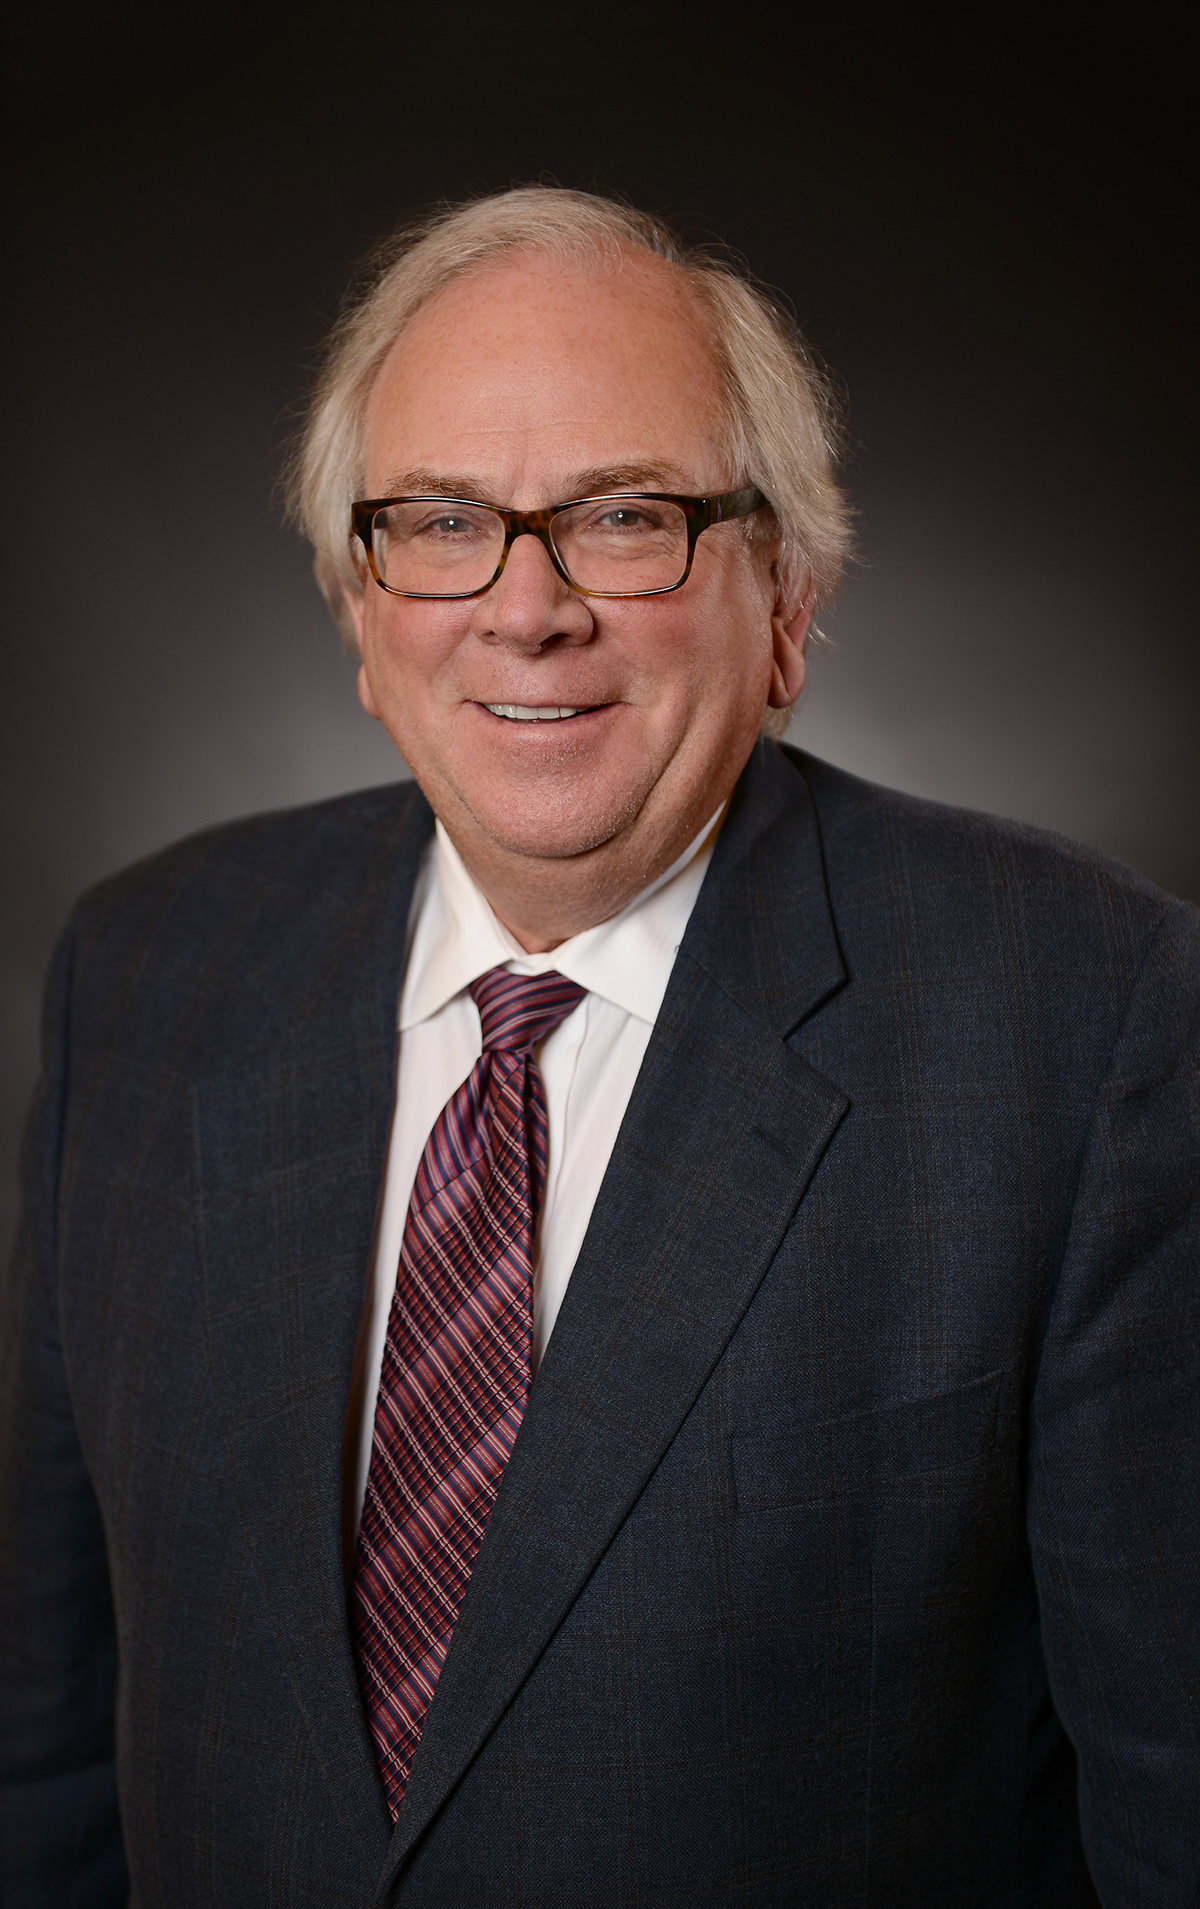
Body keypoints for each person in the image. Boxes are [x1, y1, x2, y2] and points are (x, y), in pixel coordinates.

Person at [1, 187, 1197, 1909]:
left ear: (787, 595)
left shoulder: (1086, 1016)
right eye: (441, 521)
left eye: (626, 517)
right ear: (357, 606)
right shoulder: (147, 973)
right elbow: (43, 1741)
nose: (526, 607)